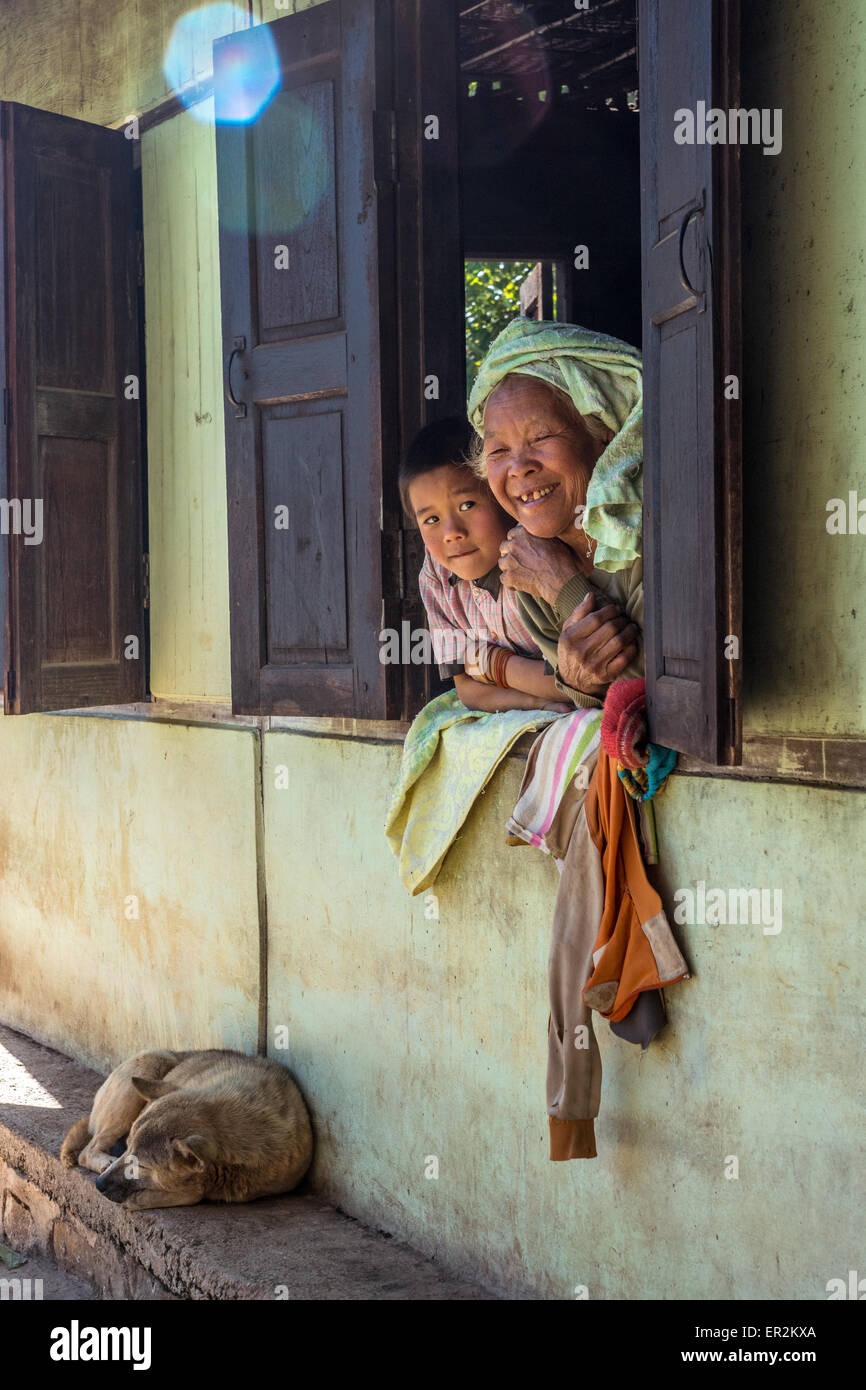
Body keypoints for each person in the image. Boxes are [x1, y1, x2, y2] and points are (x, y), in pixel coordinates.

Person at [467, 318, 645, 709]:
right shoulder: (525, 563)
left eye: (542, 437)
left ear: (606, 440)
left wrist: (562, 588)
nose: (518, 467)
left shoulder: (650, 532)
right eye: (498, 451)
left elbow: (659, 696)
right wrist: (577, 682)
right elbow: (593, 696)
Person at [400, 417, 570, 714]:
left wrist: (493, 665)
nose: (452, 532)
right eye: (431, 520)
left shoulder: (540, 559)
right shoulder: (436, 576)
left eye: (467, 505)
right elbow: (467, 691)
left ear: (500, 495)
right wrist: (536, 701)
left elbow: (577, 682)